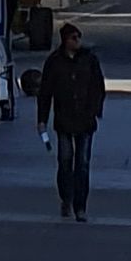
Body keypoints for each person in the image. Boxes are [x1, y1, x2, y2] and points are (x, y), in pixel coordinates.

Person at [45, 18, 105, 223]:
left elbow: (98, 86)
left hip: (85, 121)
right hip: (63, 120)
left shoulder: (89, 60)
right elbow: (45, 92)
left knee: (83, 164)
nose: (77, 40)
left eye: (79, 37)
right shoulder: (54, 62)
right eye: (73, 37)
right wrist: (41, 120)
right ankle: (66, 198)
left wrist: (95, 110)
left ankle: (80, 207)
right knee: (64, 161)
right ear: (65, 40)